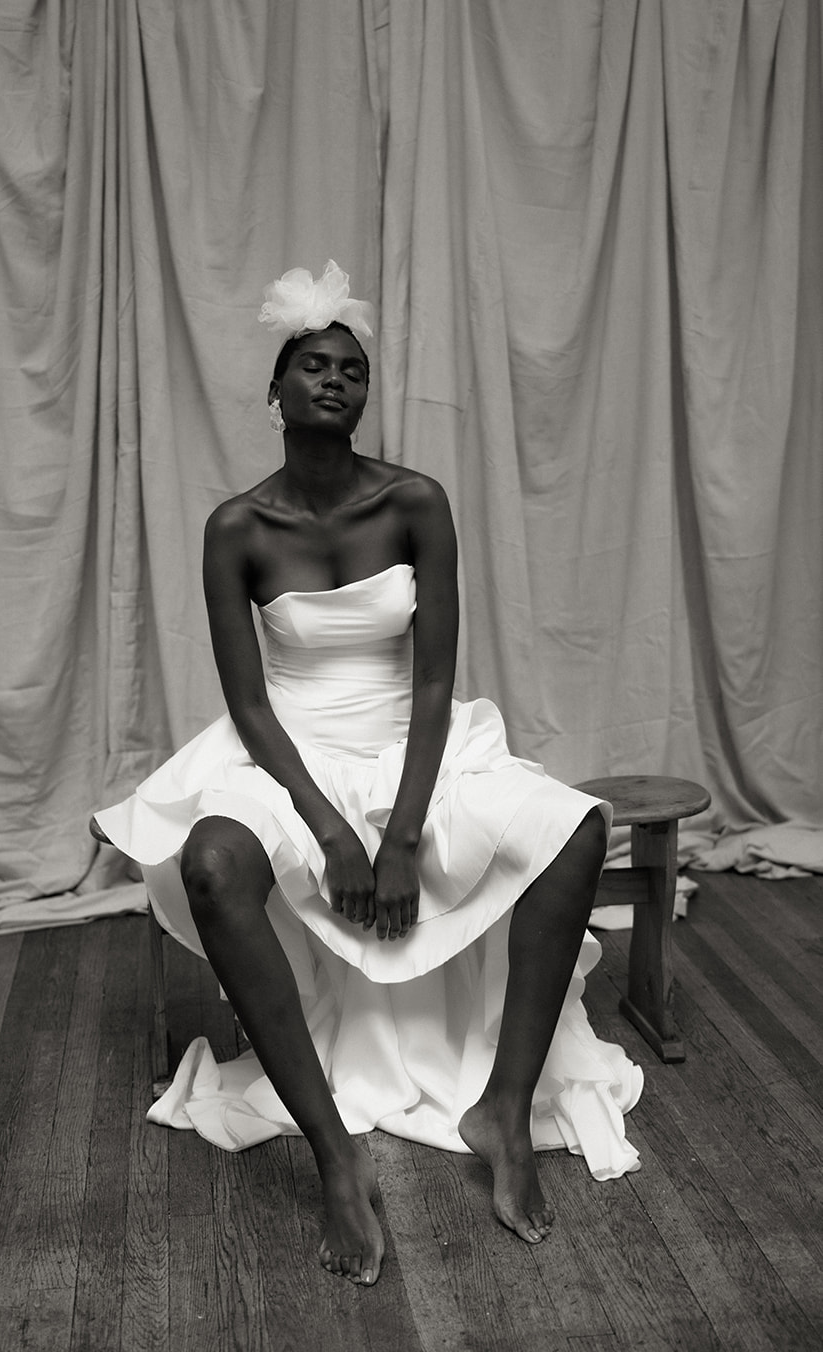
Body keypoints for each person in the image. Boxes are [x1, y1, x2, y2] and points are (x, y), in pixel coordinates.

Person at [92, 261, 642, 1288]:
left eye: (350, 366)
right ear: (277, 393)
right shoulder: (237, 527)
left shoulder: (413, 502)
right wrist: (329, 825)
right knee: (214, 860)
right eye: (313, 364)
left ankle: (503, 1112)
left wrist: (397, 830)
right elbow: (249, 703)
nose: (335, 378)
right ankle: (335, 1152)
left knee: (572, 830)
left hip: (415, 748)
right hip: (293, 755)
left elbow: (434, 679)